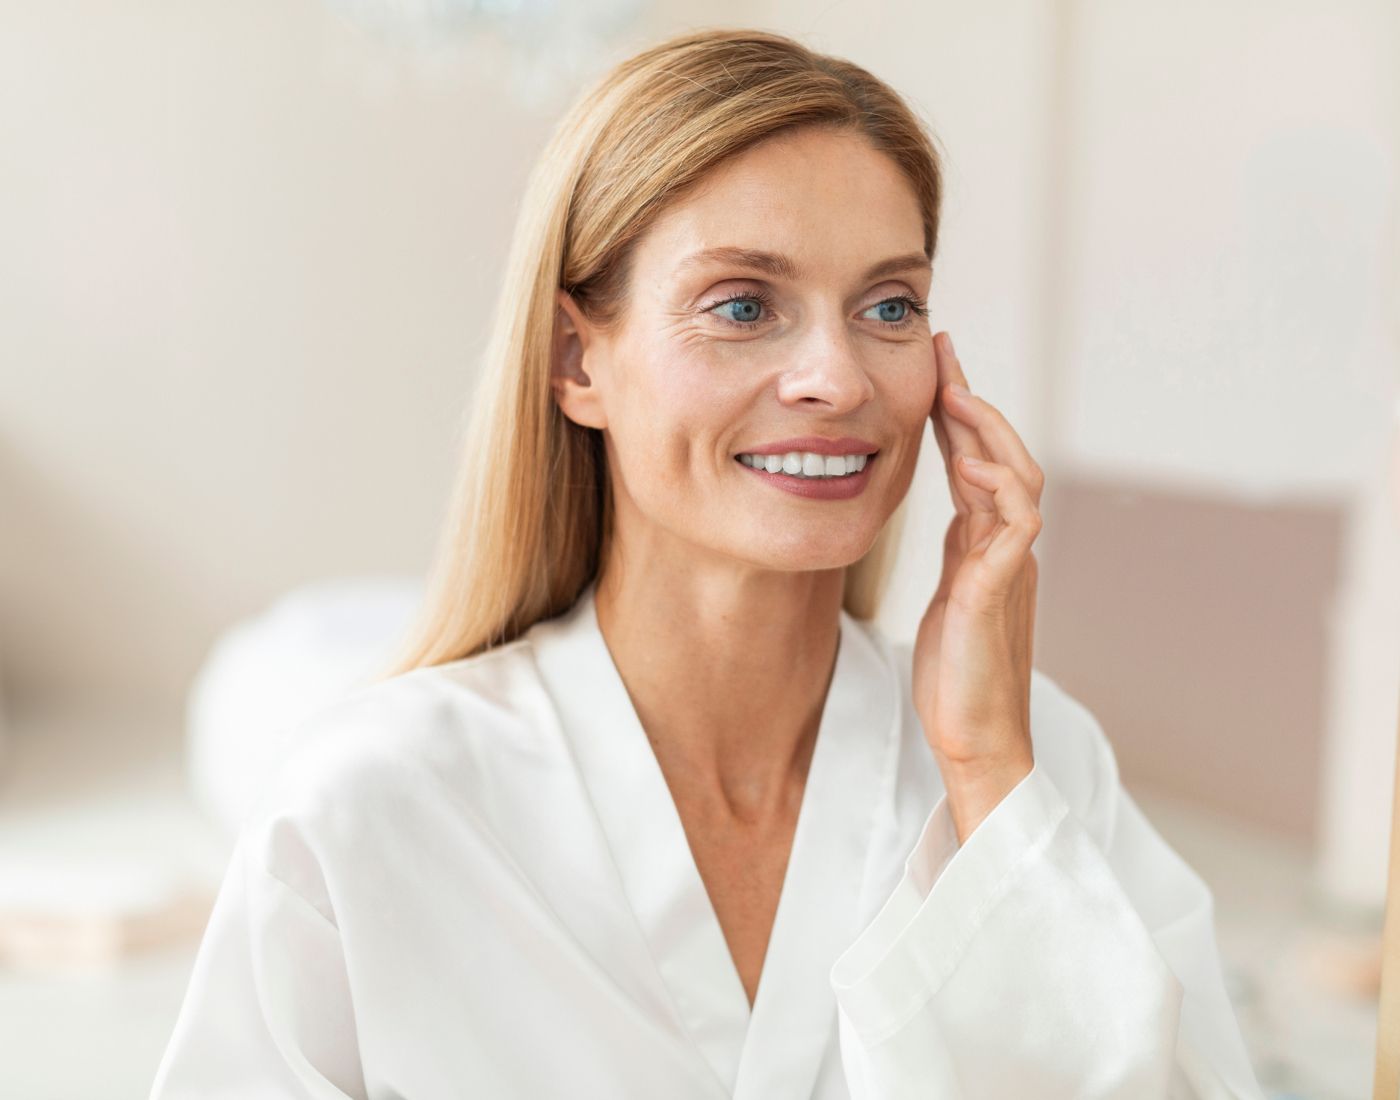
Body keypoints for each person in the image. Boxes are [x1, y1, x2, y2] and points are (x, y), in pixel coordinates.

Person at [150, 27, 1266, 1100]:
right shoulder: (373, 804)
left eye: (888, 305)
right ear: (574, 359)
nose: (836, 376)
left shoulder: (1035, 761)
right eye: (742, 305)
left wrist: (986, 771)